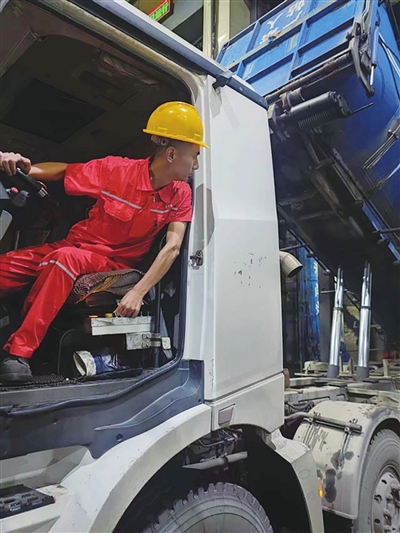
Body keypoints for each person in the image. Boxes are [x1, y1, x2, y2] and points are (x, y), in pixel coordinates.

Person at [0, 101, 208, 383]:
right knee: (9, 266)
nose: (196, 165)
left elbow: (172, 247)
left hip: (111, 263)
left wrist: (138, 291)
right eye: (194, 156)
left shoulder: (180, 194)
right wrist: (24, 170)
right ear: (171, 154)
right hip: (74, 246)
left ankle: (18, 353)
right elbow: (65, 172)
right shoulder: (116, 170)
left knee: (64, 260)